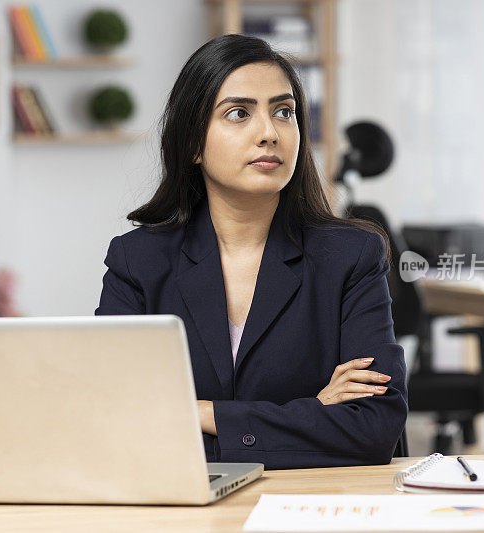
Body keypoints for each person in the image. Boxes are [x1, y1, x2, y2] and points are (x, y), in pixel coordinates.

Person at [95, 34, 407, 469]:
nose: (268, 132)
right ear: (192, 144)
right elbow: (114, 421)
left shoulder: (351, 257)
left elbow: (374, 429)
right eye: (239, 113)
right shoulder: (138, 262)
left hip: (311, 508)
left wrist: (202, 413)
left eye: (284, 112)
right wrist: (312, 415)